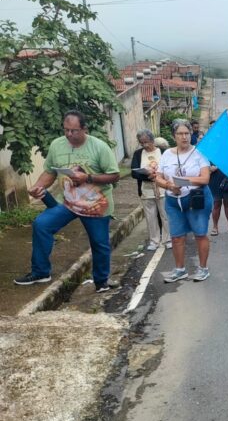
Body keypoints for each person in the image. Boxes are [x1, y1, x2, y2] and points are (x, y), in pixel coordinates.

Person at [15, 110, 121, 292]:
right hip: (67, 203)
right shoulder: (57, 145)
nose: (70, 134)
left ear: (84, 129)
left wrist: (87, 177)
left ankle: (102, 281)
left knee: (99, 243)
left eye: (74, 130)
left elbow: (114, 175)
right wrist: (39, 186)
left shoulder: (99, 147)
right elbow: (49, 171)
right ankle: (41, 272)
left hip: (95, 205)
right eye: (66, 130)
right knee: (41, 224)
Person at [154, 119, 213, 282]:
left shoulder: (199, 153)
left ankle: (203, 268)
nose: (184, 137)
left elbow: (205, 179)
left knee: (200, 234)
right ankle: (180, 269)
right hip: (173, 200)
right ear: (174, 136)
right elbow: (157, 177)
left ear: (191, 134)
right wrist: (168, 185)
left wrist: (182, 182)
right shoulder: (166, 154)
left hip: (196, 199)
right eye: (180, 134)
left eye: (187, 133)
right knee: (177, 236)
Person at [131, 129, 171, 251]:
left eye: (147, 142)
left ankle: (168, 239)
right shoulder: (138, 154)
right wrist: (147, 175)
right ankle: (154, 240)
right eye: (142, 142)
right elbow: (134, 172)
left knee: (165, 215)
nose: (145, 145)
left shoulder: (163, 152)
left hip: (163, 188)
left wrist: (158, 175)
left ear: (152, 140)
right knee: (150, 216)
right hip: (146, 189)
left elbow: (169, 168)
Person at [208, 161, 228, 237]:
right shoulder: (210, 155)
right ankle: (215, 227)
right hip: (214, 181)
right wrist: (210, 169)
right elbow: (204, 169)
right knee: (216, 204)